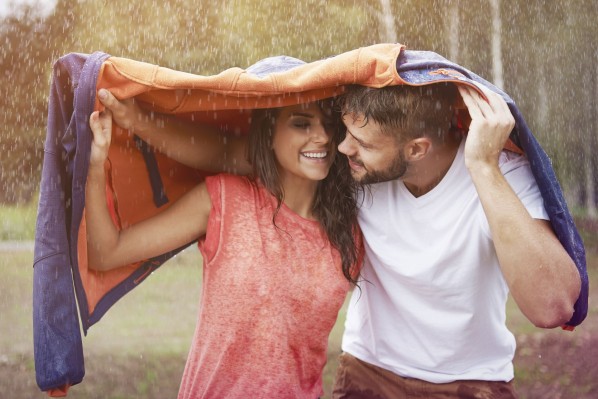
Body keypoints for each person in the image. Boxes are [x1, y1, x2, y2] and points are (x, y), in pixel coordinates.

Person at [96, 78, 581, 398]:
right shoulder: (347, 171)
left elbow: (553, 305)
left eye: (359, 142)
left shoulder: (499, 172)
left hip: (471, 384)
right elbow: (233, 153)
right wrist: (135, 120)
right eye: (340, 131)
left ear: (415, 149)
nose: (338, 145)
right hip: (368, 374)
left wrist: (482, 166)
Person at [85, 97, 362, 398]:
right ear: (268, 134)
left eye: (329, 125)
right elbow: (105, 253)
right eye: (300, 123)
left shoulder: (349, 235)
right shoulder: (227, 200)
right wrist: (95, 165)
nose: (322, 136)